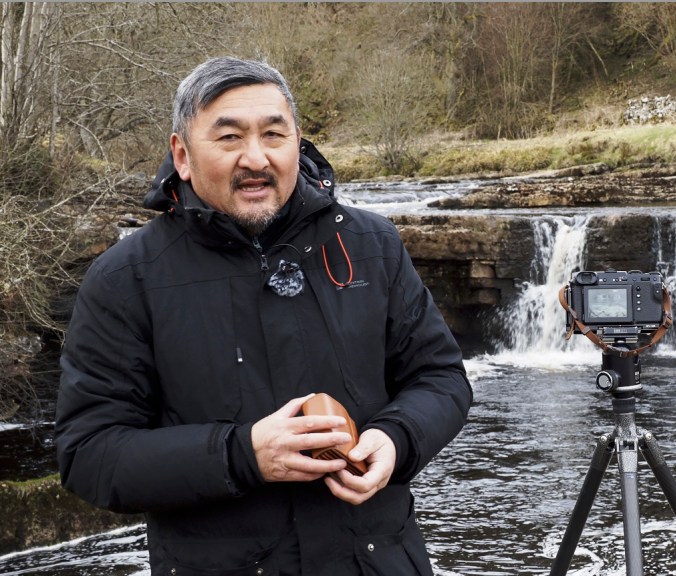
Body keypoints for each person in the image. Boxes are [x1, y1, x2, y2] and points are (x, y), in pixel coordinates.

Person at [55, 56, 473, 575]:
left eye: (274, 135)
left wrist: (397, 439)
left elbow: (441, 378)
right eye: (229, 138)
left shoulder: (372, 245)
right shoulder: (126, 278)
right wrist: (241, 456)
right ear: (182, 155)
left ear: (297, 141)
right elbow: (89, 454)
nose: (256, 158)